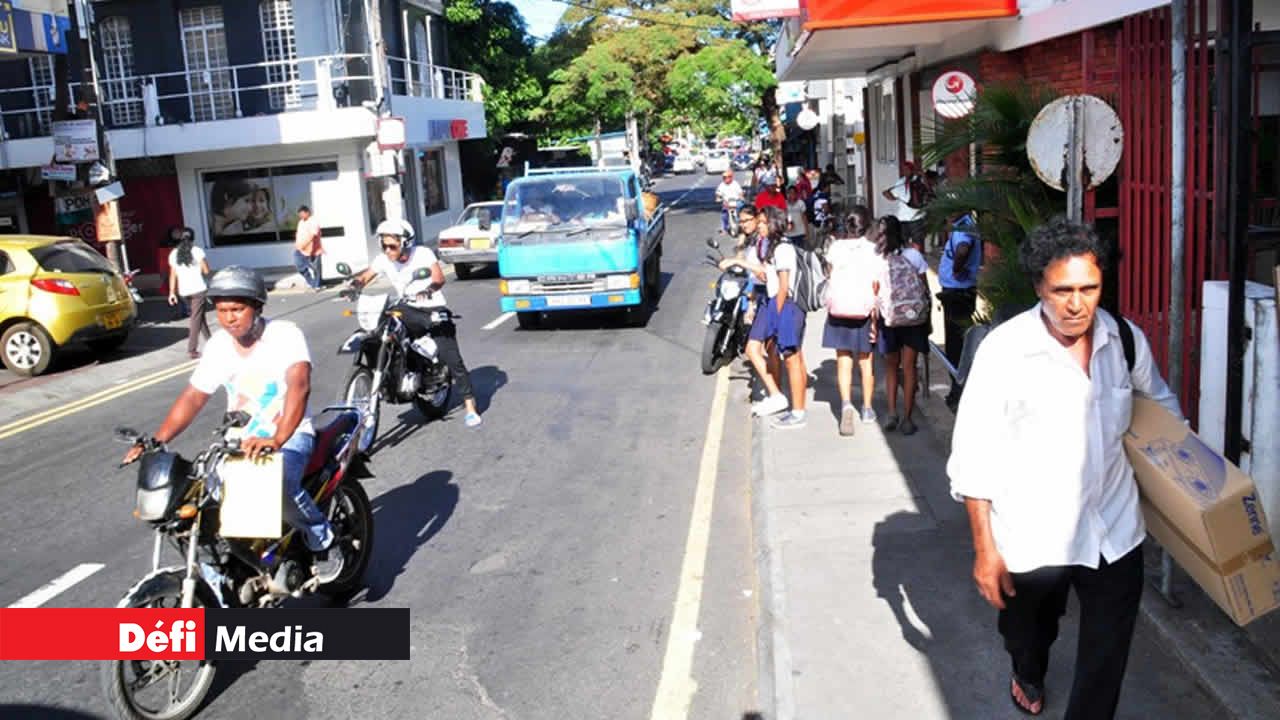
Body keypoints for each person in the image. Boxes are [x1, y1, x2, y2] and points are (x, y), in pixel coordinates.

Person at [947, 217, 1182, 719]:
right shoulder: (1006, 351)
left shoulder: (1123, 339)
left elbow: (1161, 407)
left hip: (1115, 529)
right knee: (1027, 633)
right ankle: (1027, 670)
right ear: (1039, 286)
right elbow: (973, 455)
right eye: (1063, 290)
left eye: (1089, 288)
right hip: (1033, 535)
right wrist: (985, 552)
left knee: (1106, 656)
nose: (1077, 304)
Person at [121, 266, 342, 580]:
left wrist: (278, 438)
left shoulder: (285, 335)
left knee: (278, 486)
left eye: (237, 309)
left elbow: (299, 385)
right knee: (204, 502)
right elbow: (194, 397)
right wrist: (157, 440)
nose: (229, 318)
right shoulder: (218, 347)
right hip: (238, 440)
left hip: (289, 434)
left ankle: (322, 537)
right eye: (222, 311)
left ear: (257, 307)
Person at [349, 220, 483, 428]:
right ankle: (398, 371)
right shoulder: (383, 260)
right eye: (383, 246)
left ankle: (470, 405)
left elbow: (438, 278)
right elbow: (367, 275)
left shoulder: (422, 254)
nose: (387, 250)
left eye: (392, 246)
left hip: (432, 307)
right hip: (407, 308)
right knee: (386, 325)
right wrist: (355, 285)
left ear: (404, 242)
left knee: (452, 357)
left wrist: (428, 290)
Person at [722, 207, 808, 428]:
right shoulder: (771, 248)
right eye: (758, 222)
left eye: (762, 222)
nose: (759, 226)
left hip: (786, 305)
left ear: (773, 224)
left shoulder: (783, 249)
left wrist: (777, 316)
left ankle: (798, 414)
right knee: (764, 351)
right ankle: (779, 398)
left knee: (792, 359)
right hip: (774, 303)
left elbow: (783, 286)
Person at [821, 206, 881, 435]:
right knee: (866, 362)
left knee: (843, 359)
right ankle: (866, 408)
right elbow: (876, 283)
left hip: (839, 309)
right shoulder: (872, 250)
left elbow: (830, 271)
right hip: (863, 309)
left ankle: (846, 404)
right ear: (866, 225)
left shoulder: (835, 247)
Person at [874, 215, 930, 436]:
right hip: (913, 317)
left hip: (889, 318)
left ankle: (891, 412)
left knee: (890, 367)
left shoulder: (878, 258)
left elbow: (875, 290)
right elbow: (924, 288)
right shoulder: (914, 255)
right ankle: (907, 418)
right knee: (909, 367)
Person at [937, 211, 982, 411]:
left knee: (956, 345)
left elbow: (963, 249)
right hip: (956, 290)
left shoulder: (964, 226)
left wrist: (956, 269)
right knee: (957, 341)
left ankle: (958, 391)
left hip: (958, 292)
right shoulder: (961, 225)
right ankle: (958, 388)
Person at [167, 227, 211, 359]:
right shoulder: (197, 251)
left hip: (184, 291)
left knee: (199, 317)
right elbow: (206, 271)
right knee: (196, 318)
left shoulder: (174, 254)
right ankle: (192, 349)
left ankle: (211, 342)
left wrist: (171, 293)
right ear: (193, 238)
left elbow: (173, 275)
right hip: (198, 289)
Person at [881, 161, 927, 250]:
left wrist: (922, 175)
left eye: (907, 169)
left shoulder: (919, 179)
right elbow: (893, 197)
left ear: (912, 170)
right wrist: (887, 194)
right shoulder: (900, 181)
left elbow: (927, 190)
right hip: (902, 218)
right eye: (903, 169)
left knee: (917, 243)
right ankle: (908, 258)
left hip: (916, 217)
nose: (905, 171)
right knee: (904, 242)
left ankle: (915, 259)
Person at [293, 205, 323, 290]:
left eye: (302, 214)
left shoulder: (313, 221)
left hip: (314, 250)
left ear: (307, 212)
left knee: (316, 269)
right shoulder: (301, 222)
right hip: (300, 250)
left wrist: (305, 244)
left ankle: (317, 285)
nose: (300, 216)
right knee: (299, 265)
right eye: (299, 214)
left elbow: (313, 235)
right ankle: (312, 282)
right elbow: (298, 233)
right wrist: (297, 243)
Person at [714, 169, 744, 235]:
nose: (725, 179)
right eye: (724, 177)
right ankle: (725, 229)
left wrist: (741, 197)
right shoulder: (721, 185)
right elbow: (718, 193)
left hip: (736, 202)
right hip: (727, 203)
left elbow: (740, 192)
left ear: (731, 177)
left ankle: (742, 225)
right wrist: (718, 197)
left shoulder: (735, 183)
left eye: (726, 177)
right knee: (724, 215)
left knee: (742, 211)